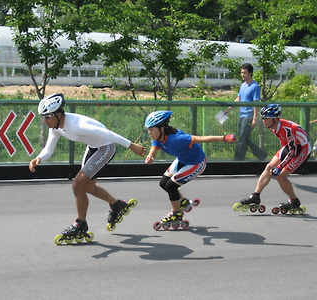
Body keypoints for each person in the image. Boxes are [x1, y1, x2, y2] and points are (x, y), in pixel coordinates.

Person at [29, 93, 146, 237]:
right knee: (89, 187)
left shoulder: (77, 126)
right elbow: (49, 149)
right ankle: (117, 205)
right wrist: (39, 158)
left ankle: (80, 224)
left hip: (106, 147)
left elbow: (107, 134)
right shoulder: (56, 127)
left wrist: (131, 145)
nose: (45, 120)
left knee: (77, 184)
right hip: (92, 147)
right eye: (43, 117)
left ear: (58, 114)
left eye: (47, 116)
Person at [144, 110, 236, 224]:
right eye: (148, 129)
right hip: (182, 159)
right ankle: (183, 202)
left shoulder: (178, 138)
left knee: (171, 186)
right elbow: (154, 146)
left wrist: (224, 138)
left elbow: (202, 139)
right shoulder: (158, 137)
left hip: (196, 163)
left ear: (162, 129)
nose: (149, 132)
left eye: (151, 129)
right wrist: (150, 156)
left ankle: (177, 214)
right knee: (163, 183)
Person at [239, 104, 311, 210]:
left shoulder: (288, 129)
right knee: (269, 167)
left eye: (266, 118)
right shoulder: (274, 127)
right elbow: (285, 144)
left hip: (301, 150)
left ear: (275, 118)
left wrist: (280, 167)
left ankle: (294, 201)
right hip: (291, 146)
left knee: (280, 176)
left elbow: (294, 151)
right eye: (262, 118)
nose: (264, 121)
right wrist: (278, 163)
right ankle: (255, 196)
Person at [225, 63, 267, 161]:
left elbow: (256, 102)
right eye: (241, 73)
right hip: (241, 114)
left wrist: (255, 118)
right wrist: (228, 110)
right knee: (244, 138)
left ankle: (238, 159)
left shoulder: (255, 86)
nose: (242, 75)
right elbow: (239, 98)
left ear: (250, 73)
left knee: (241, 139)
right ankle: (261, 155)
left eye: (244, 73)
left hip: (249, 115)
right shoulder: (243, 85)